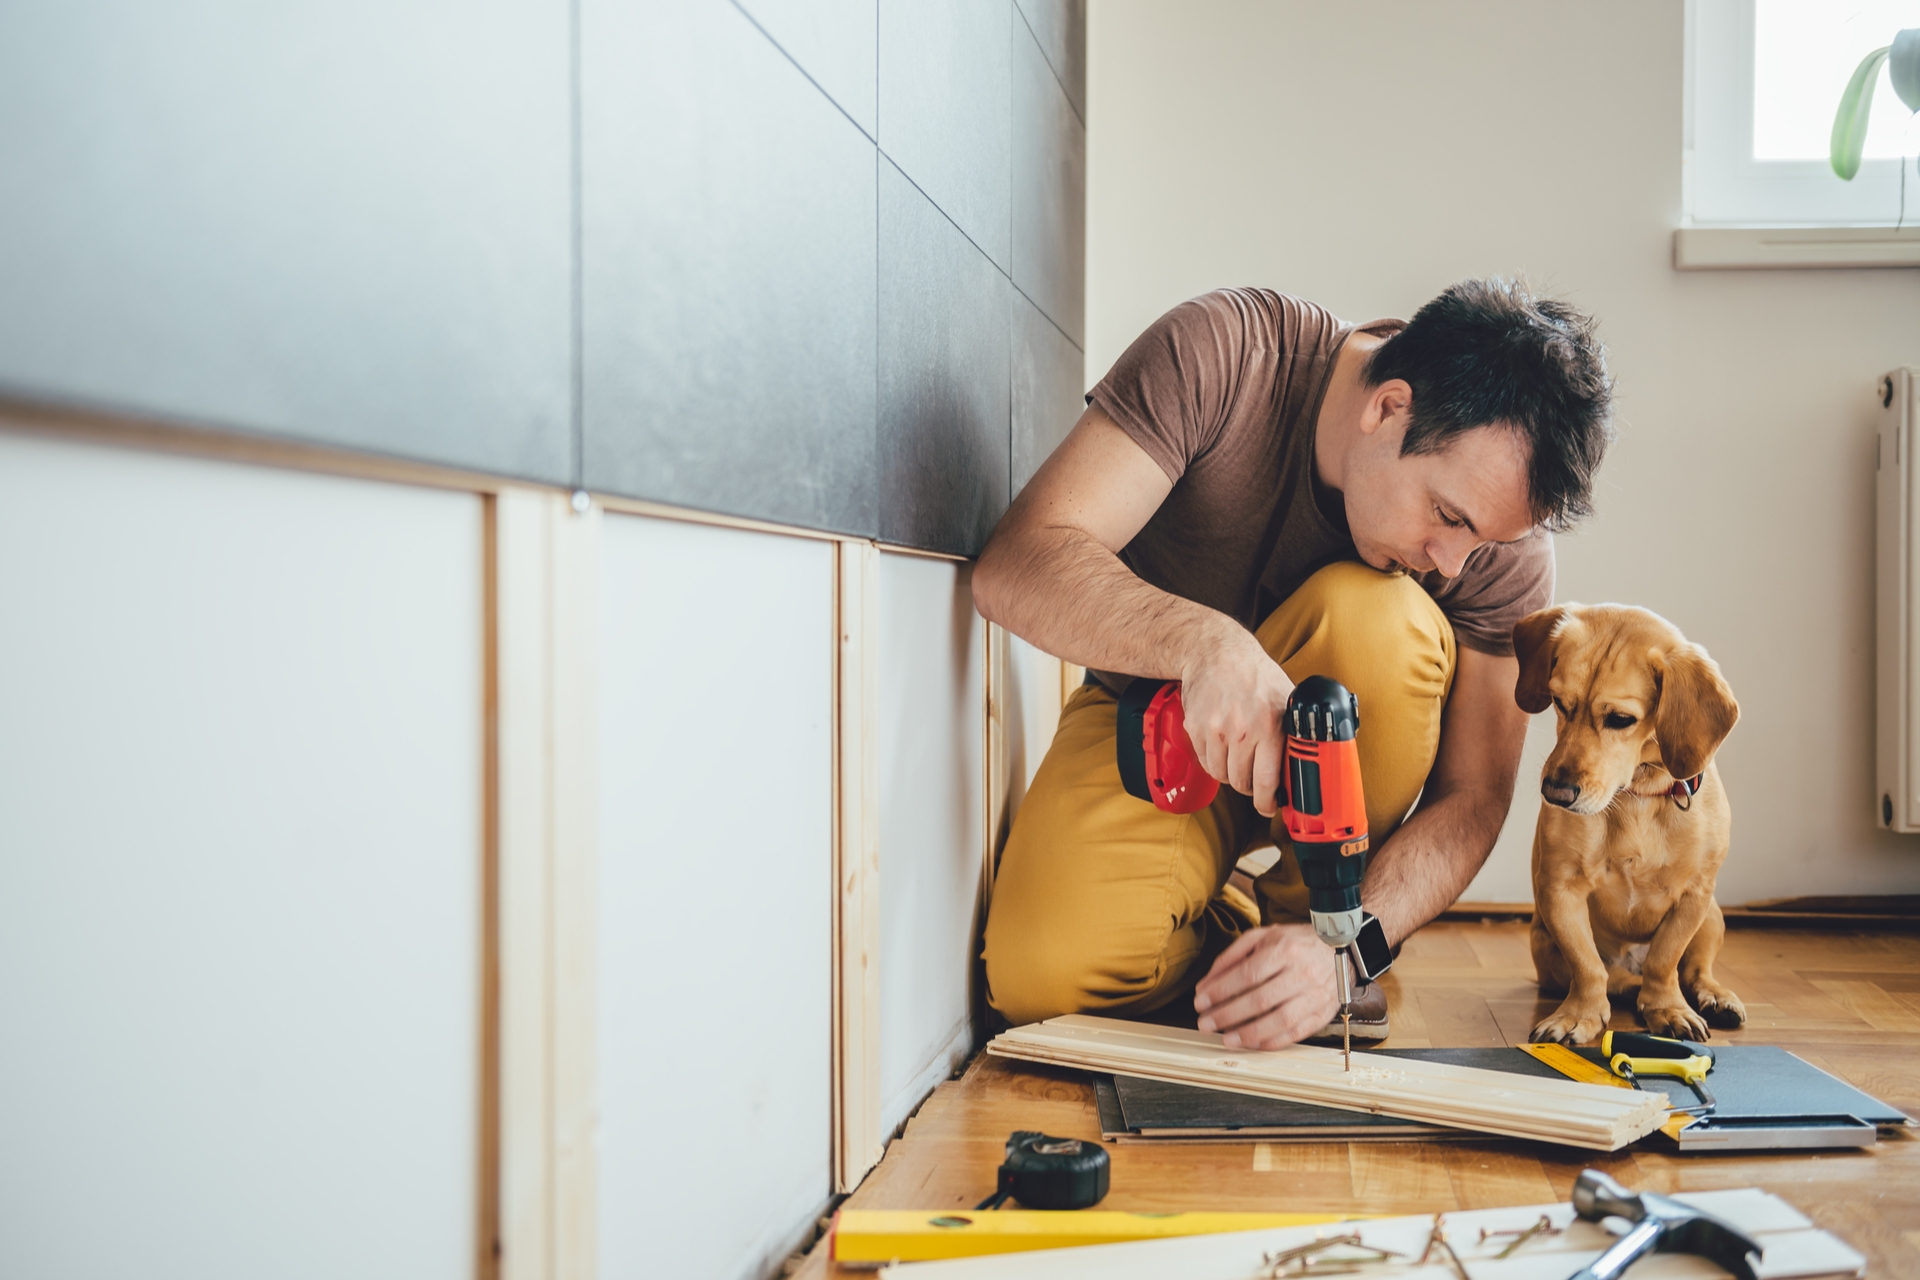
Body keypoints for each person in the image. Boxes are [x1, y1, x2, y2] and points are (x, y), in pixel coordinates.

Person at [972, 280, 1613, 1050]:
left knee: (1377, 617)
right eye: (1447, 517)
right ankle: (1239, 925)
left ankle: (1313, 941)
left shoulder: (1496, 547)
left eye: (1481, 542)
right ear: (1388, 407)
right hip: (1160, 719)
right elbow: (1014, 566)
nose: (1451, 564)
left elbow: (1473, 800)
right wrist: (1201, 643)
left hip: (1342, 793)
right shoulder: (1226, 356)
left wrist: (1348, 951)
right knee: (1044, 979)